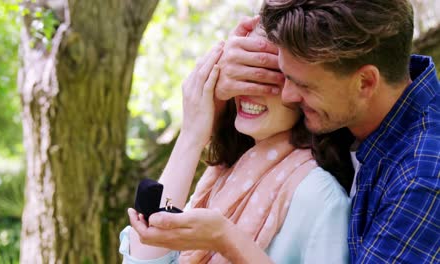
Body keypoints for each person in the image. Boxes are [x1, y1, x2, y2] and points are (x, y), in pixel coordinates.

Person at [217, 1, 440, 263]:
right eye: (284, 75)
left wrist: (225, 239)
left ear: (365, 82)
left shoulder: (422, 176)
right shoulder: (358, 114)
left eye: (304, 85)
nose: (288, 96)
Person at [119, 26, 354, 263]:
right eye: (242, 75)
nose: (248, 90)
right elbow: (145, 256)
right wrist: (191, 136)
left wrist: (225, 238)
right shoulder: (224, 176)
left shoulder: (319, 195)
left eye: (268, 76)